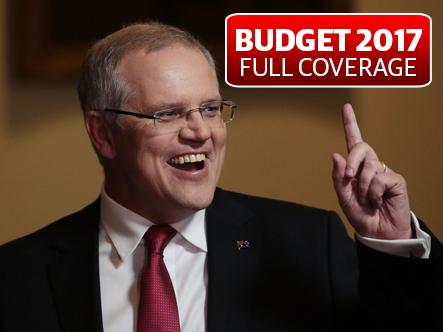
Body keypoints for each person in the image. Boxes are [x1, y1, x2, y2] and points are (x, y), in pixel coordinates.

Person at [0, 22, 441, 332]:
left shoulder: (308, 245)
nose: (200, 133)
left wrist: (392, 242)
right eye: (168, 113)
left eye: (210, 109)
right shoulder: (17, 276)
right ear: (103, 133)